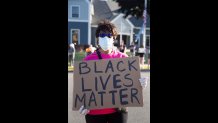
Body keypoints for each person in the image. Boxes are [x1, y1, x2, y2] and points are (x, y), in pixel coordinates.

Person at [78, 19, 148, 123]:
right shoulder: (88, 61)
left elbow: (130, 85)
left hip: (118, 111)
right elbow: (81, 86)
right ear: (97, 38)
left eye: (109, 35)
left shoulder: (124, 58)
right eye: (102, 35)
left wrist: (140, 85)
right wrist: (81, 103)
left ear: (114, 38)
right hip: (94, 112)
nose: (105, 38)